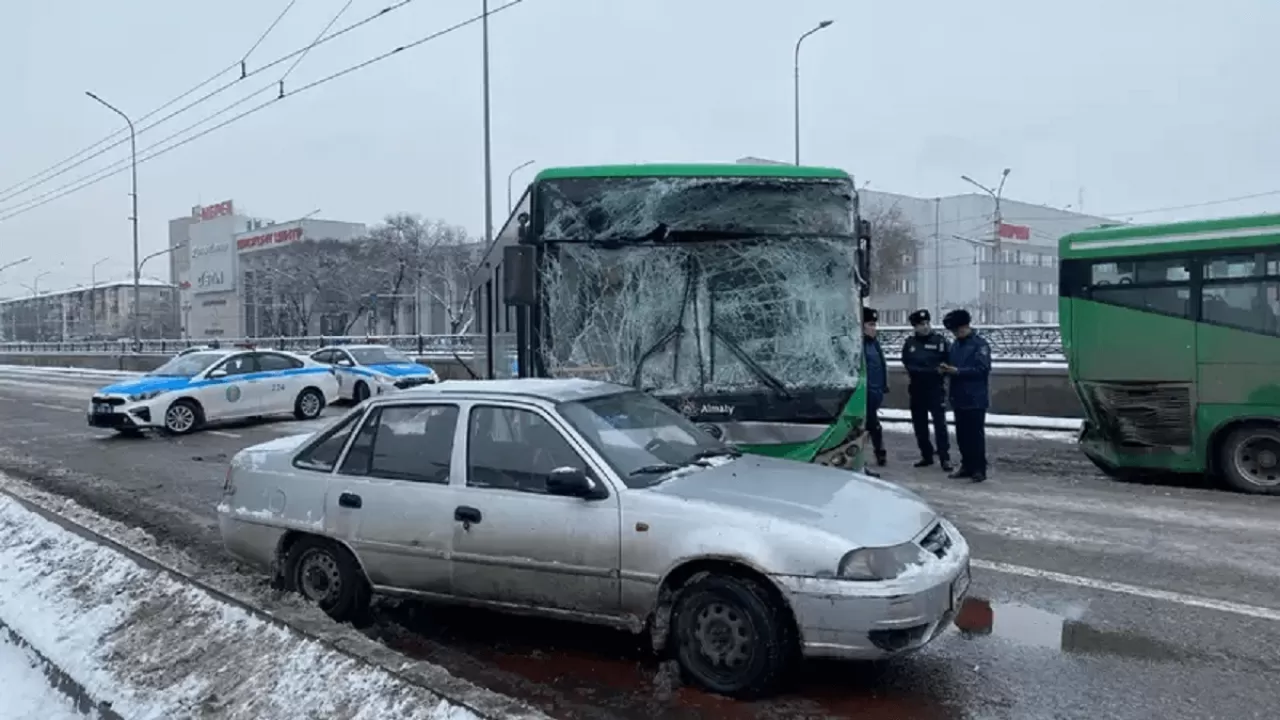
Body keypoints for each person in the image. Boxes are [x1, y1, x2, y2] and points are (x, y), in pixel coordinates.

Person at [940, 309, 991, 482]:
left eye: (957, 330)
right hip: (959, 397)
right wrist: (945, 369)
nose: (955, 334)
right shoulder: (955, 345)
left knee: (975, 435)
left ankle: (979, 469)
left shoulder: (979, 345)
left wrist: (958, 371)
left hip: (975, 398)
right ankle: (966, 465)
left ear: (965, 326)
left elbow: (982, 370)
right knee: (962, 435)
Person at [901, 309, 953, 472]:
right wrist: (931, 370)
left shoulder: (940, 341)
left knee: (940, 425)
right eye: (920, 324)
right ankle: (926, 455)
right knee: (919, 425)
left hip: (935, 389)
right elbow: (909, 365)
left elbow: (947, 362)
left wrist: (937, 371)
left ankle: (945, 458)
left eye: (926, 323)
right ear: (914, 327)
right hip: (917, 389)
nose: (924, 327)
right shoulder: (910, 344)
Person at [862, 307, 888, 474]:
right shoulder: (858, 344)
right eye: (870, 324)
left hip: (875, 392)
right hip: (862, 394)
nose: (874, 328)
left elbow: (882, 366)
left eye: (875, 324)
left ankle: (880, 453)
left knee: (873, 425)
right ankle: (877, 454)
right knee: (869, 426)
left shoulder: (874, 344)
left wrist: (884, 385)